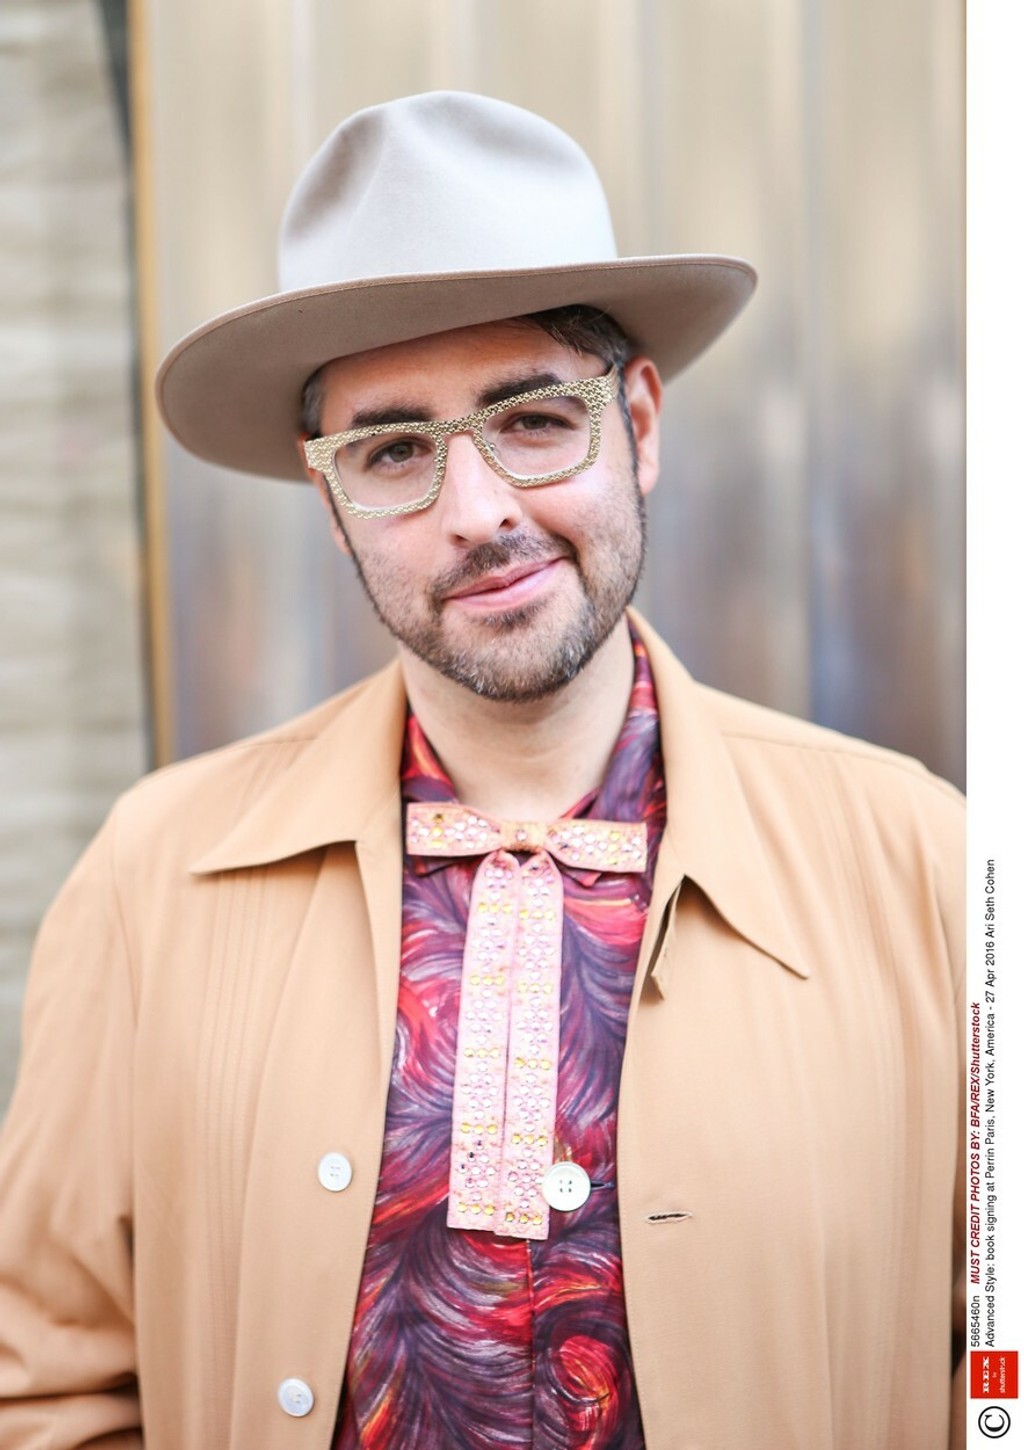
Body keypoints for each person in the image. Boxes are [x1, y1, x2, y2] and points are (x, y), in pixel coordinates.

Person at [0, 91, 964, 1450]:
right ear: (333, 504)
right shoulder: (150, 885)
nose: (480, 512)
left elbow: (1004, 1362)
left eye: (533, 419)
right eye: (395, 451)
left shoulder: (928, 868)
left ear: (639, 423)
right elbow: (48, 1391)